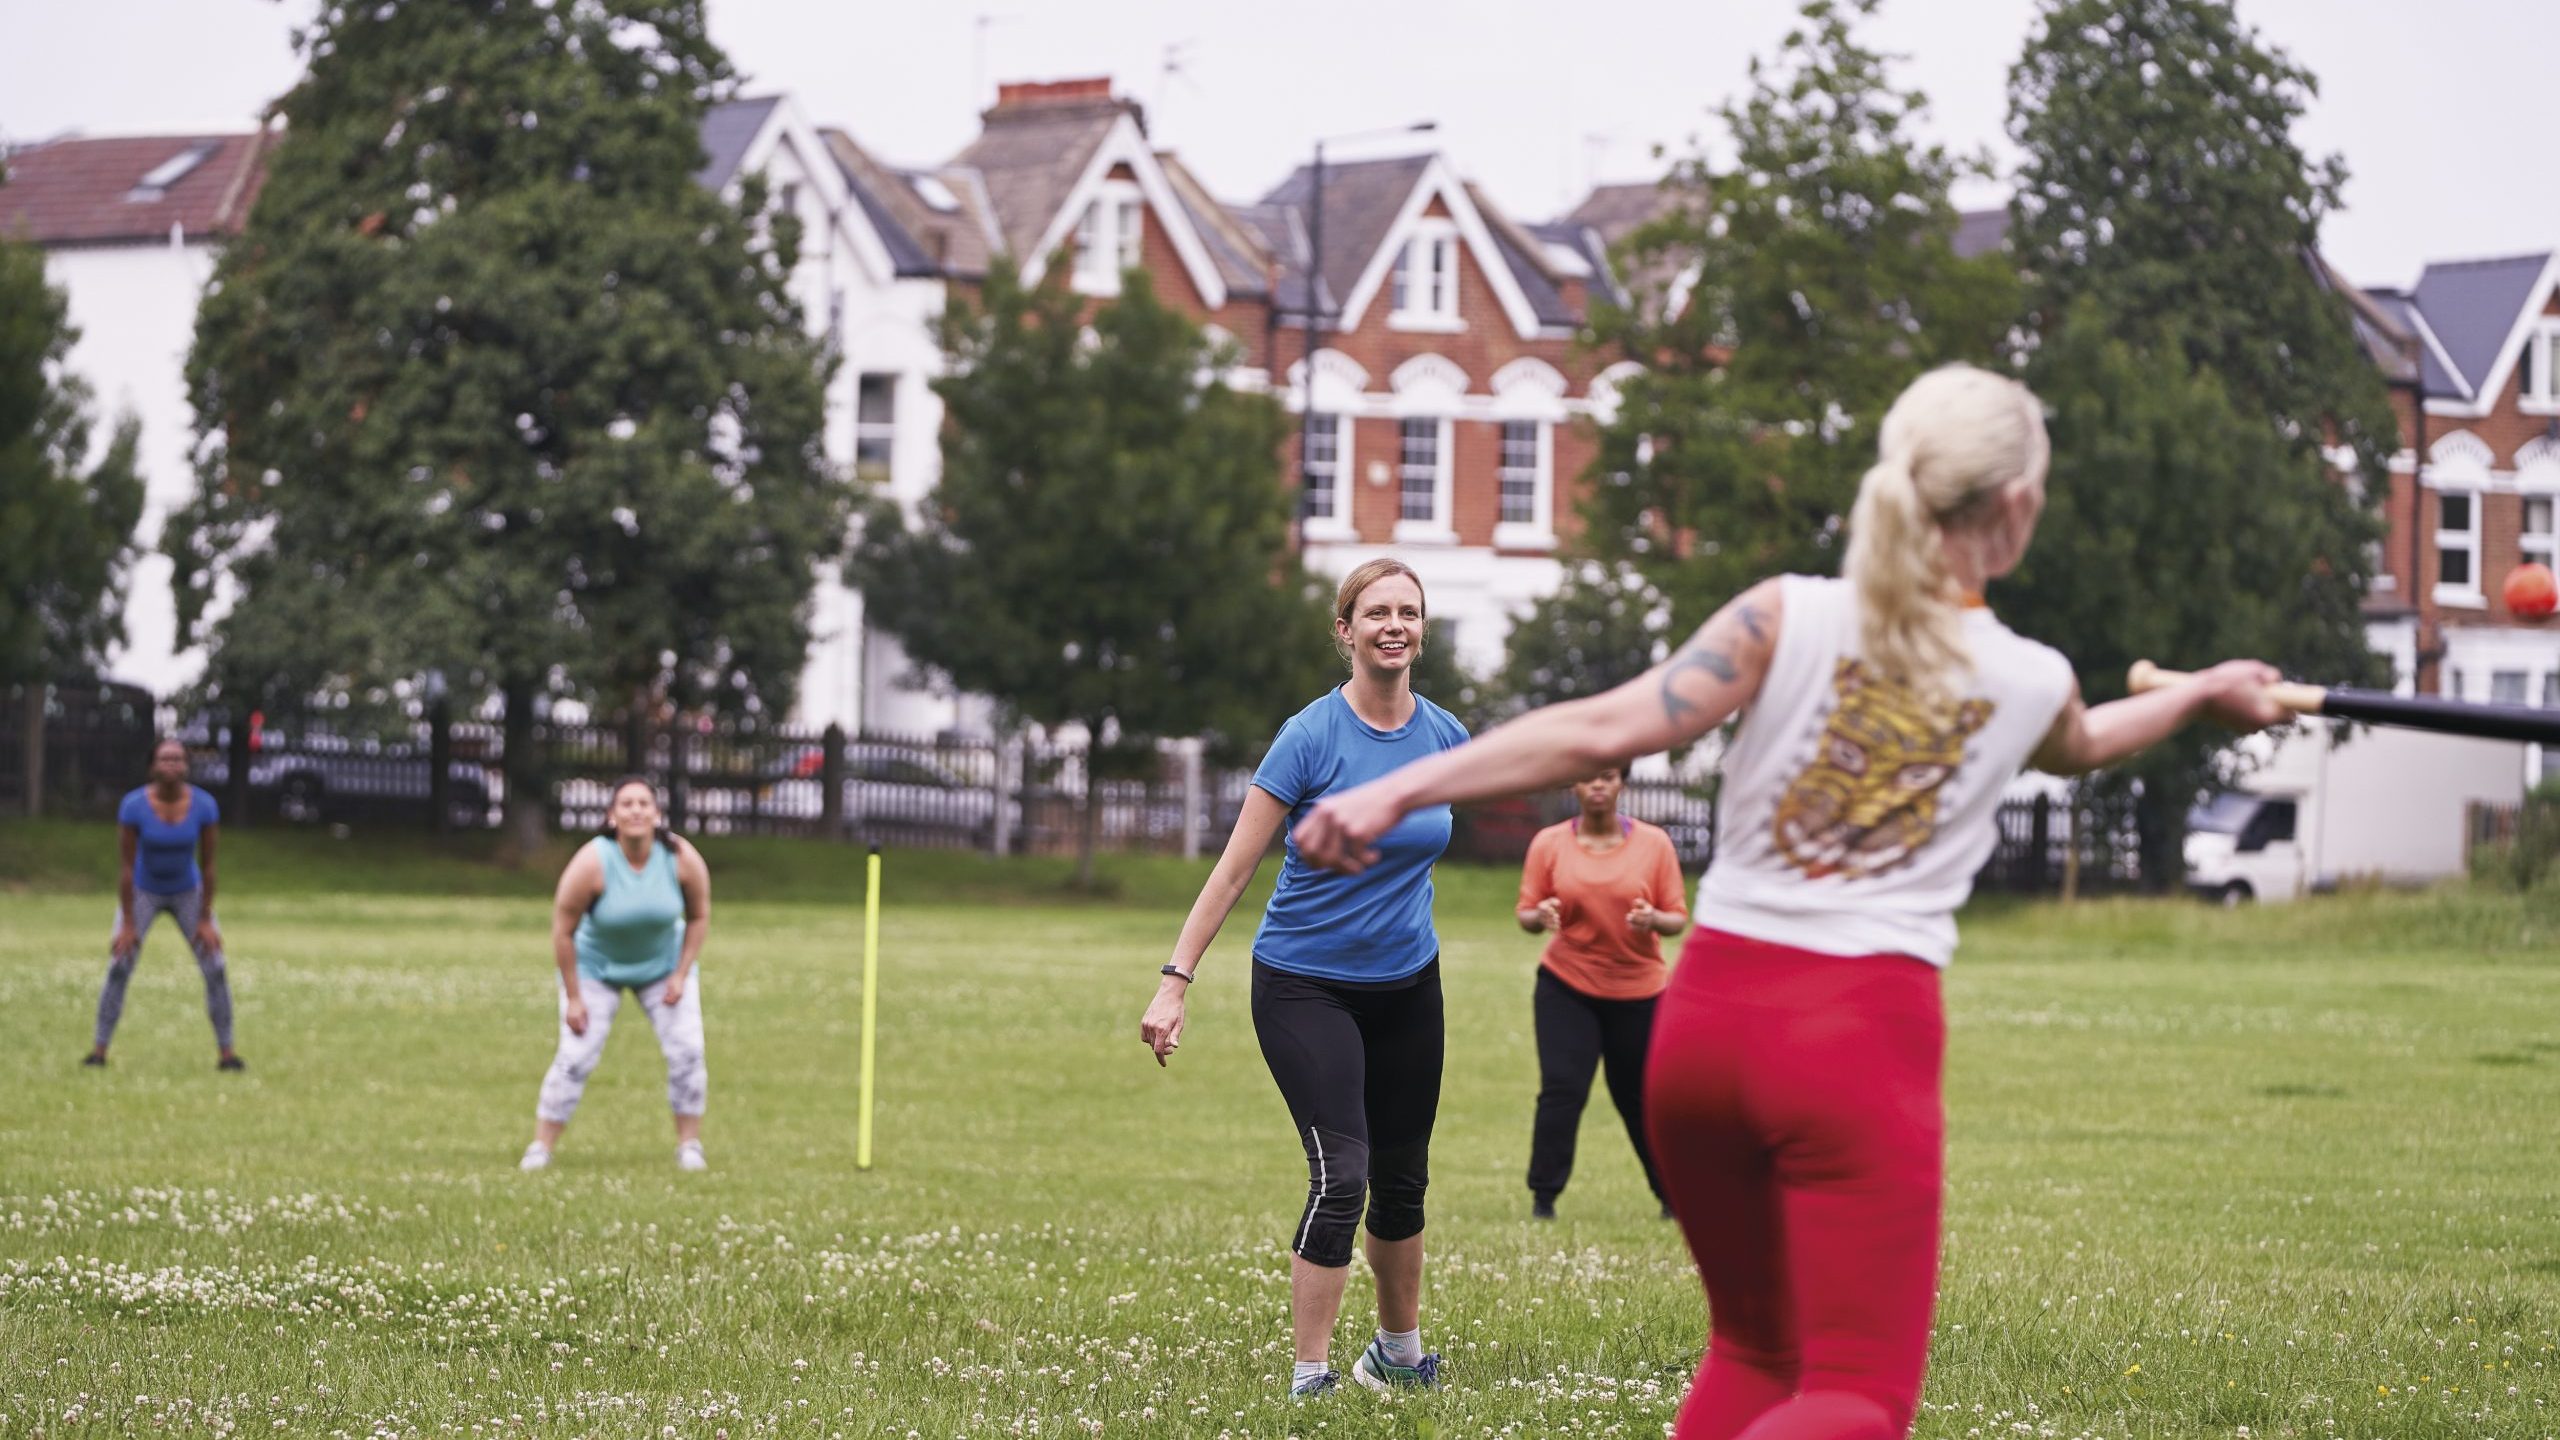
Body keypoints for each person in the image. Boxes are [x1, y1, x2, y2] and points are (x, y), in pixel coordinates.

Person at [1287, 364, 2290, 1440]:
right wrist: (2200, 696)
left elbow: (1599, 730)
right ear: (2018, 509)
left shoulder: (1783, 613)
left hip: (1704, 1034)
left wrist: (1395, 786)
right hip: (1856, 1042)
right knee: (1855, 1396)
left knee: (1755, 1356)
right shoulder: (2030, 673)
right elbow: (2087, 744)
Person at [1138, 557, 1468, 1400]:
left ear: (1421, 630)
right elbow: (1232, 870)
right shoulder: (1310, 736)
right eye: (1376, 612)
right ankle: (1311, 1376)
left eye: (1408, 612)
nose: (1394, 625)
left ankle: (1398, 1354)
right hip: (1303, 984)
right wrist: (1175, 980)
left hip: (1408, 986)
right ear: (1346, 630)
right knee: (1343, 1175)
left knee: (1403, 1179)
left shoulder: (1446, 738)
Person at [1514, 762, 1686, 1220]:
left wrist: (1653, 919)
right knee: (1563, 1089)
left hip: (1639, 990)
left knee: (1639, 1097)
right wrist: (1543, 913)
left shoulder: (1654, 844)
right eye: (1589, 776)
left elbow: (1677, 918)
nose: (1597, 785)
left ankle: (1672, 1198)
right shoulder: (1549, 843)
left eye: (1607, 777)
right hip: (1567, 985)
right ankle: (1543, 1199)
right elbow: (1526, 915)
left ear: (1621, 783)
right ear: (1575, 782)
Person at [521, 776, 713, 1173]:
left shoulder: (680, 856)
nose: (636, 810)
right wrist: (573, 997)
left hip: (663, 968)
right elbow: (563, 931)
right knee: (576, 1056)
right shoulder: (592, 862)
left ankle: (689, 1145)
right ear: (612, 816)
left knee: (688, 1052)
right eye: (626, 804)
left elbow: (699, 916)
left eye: (645, 803)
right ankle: (540, 1148)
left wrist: (680, 974)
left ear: (657, 814)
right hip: (596, 969)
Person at [89, 737, 242, 1070]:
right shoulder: (133, 806)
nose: (171, 764)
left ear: (186, 766)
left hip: (189, 891)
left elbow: (210, 865)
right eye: (164, 759)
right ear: (152, 766)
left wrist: (204, 918)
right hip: (143, 891)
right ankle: (98, 1052)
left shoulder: (204, 805)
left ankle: (227, 1054)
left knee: (215, 966)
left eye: (177, 759)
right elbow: (127, 868)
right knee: (119, 966)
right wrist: (128, 923)